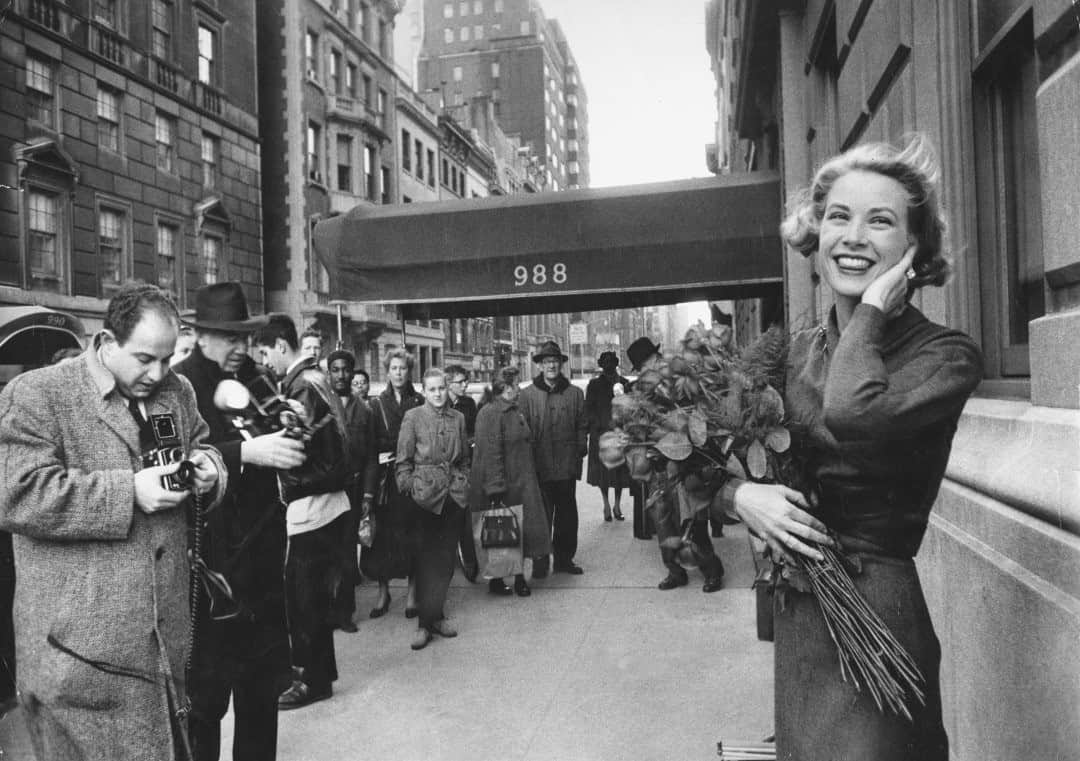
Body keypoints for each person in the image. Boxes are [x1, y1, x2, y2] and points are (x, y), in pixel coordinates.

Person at [721, 136, 982, 760]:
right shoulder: (789, 353)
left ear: (913, 249)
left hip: (878, 609)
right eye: (839, 216)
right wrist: (743, 496)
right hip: (802, 614)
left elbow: (854, 413)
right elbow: (703, 468)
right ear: (816, 235)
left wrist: (868, 313)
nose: (854, 236)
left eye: (881, 220)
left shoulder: (945, 356)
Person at [0, 282, 225, 760]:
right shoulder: (39, 395)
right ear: (105, 342)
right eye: (145, 358)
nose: (158, 372)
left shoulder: (176, 391)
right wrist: (130, 492)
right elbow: (16, 495)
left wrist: (209, 467)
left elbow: (200, 443)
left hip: (163, 647)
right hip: (78, 661)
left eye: (166, 359)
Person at [173, 282, 308, 761]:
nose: (240, 349)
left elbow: (292, 437)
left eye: (245, 338)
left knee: (260, 698)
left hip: (262, 568)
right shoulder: (179, 385)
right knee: (205, 706)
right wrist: (247, 453)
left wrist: (289, 420)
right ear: (201, 335)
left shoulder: (253, 378)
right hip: (212, 570)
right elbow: (175, 462)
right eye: (230, 338)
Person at [253, 314, 352, 711]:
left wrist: (278, 475)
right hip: (328, 503)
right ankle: (317, 673)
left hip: (312, 505)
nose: (266, 362)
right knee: (312, 596)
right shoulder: (314, 379)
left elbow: (301, 454)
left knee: (303, 598)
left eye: (266, 353)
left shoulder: (298, 388)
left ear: (281, 346)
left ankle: (312, 681)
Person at [627, 336, 725, 593]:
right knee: (662, 523)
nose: (651, 369)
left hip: (687, 465)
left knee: (694, 521)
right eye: (645, 368)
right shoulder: (640, 389)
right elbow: (636, 425)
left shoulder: (679, 381)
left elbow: (698, 415)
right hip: (658, 468)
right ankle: (675, 571)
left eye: (651, 364)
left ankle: (711, 570)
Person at [396, 368, 470, 650]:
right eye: (432, 390)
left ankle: (437, 617)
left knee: (445, 560)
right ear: (424, 391)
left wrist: (464, 482)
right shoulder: (413, 418)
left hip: (452, 495)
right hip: (425, 497)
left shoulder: (458, 418)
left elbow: (463, 457)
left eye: (442, 388)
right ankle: (424, 625)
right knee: (426, 560)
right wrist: (411, 488)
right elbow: (402, 461)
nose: (438, 394)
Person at [469, 366, 551, 597]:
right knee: (503, 533)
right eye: (516, 384)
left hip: (522, 481)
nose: (519, 388)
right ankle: (498, 580)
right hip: (506, 485)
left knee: (520, 533)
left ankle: (519, 579)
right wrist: (495, 488)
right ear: (505, 388)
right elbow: (491, 452)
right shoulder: (490, 413)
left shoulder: (514, 410)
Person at [362, 348, 424, 618]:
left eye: (403, 368)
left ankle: (412, 594)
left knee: (412, 536)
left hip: (410, 478)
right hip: (385, 481)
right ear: (387, 372)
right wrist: (368, 490)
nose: (399, 373)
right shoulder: (376, 405)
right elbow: (370, 449)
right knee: (382, 539)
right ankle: (383, 592)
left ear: (410, 371)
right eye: (394, 368)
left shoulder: (419, 401)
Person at [518, 341, 588, 577]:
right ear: (539, 366)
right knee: (540, 515)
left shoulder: (575, 394)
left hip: (566, 465)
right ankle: (540, 561)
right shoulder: (526, 395)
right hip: (539, 466)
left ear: (561, 365)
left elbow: (582, 425)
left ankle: (564, 560)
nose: (551, 366)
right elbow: (522, 430)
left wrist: (580, 448)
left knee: (567, 515)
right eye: (547, 362)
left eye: (555, 362)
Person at [326, 349, 379, 633]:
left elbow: (372, 457)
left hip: (354, 490)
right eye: (335, 369)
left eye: (345, 369)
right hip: (325, 490)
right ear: (329, 373)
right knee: (326, 551)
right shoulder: (322, 406)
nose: (341, 375)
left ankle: (344, 612)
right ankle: (326, 609)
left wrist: (368, 495)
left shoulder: (366, 411)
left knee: (347, 552)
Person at [585, 351, 632, 522]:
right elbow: (588, 408)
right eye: (605, 362)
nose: (608, 365)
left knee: (619, 472)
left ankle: (617, 505)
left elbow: (630, 408)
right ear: (600, 364)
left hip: (619, 434)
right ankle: (606, 504)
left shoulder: (625, 384)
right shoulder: (594, 384)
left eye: (611, 361)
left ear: (616, 363)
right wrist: (598, 426)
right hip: (600, 435)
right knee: (603, 474)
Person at [445, 364, 479, 582]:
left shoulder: (468, 403)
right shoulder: (439, 403)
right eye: (461, 381)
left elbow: (475, 431)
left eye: (466, 380)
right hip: (444, 467)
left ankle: (470, 560)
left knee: (466, 515)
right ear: (449, 383)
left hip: (465, 466)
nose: (465, 385)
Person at [625, 338, 658, 541]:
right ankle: (643, 527)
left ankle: (651, 525)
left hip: (663, 443)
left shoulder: (665, 380)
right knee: (642, 484)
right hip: (642, 444)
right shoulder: (635, 388)